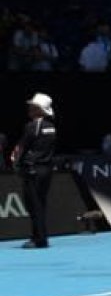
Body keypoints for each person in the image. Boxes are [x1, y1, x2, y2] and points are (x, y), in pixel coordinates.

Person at [11, 93, 57, 249]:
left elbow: (21, 148)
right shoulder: (51, 126)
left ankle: (39, 239)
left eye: (33, 106)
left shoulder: (32, 126)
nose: (29, 108)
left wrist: (16, 164)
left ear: (39, 109)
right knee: (41, 204)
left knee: (34, 205)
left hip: (33, 170)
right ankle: (39, 236)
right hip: (47, 170)